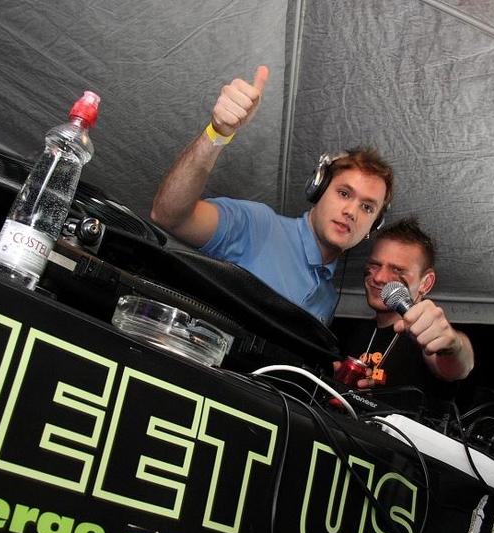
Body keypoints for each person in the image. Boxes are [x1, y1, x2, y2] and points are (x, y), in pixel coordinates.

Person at [150, 66, 393, 324]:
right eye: (344, 193)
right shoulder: (257, 225)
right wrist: (217, 133)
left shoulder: (328, 298)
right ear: (319, 189)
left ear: (373, 225)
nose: (351, 212)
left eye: (367, 208)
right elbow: (169, 215)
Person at [332, 217, 474, 393]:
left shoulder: (426, 333)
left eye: (397, 269)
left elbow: (459, 367)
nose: (379, 277)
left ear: (426, 283)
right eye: (375, 265)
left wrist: (454, 345)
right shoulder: (358, 333)